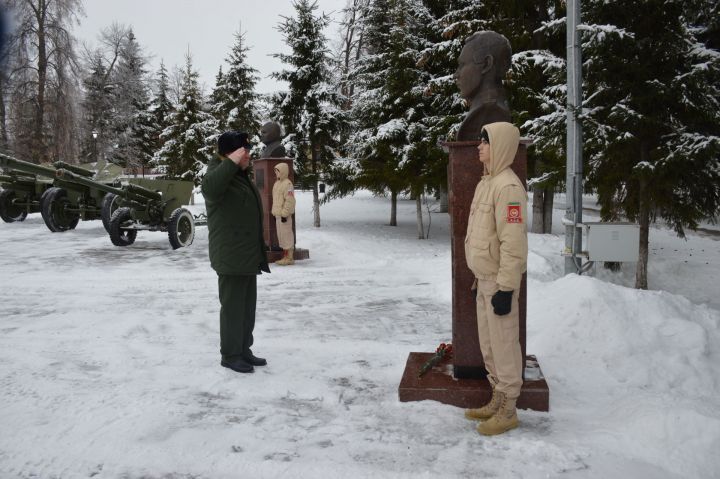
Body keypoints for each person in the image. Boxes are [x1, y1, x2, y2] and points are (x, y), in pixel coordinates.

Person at [463, 122, 528, 435]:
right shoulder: (486, 182)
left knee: (504, 346)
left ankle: (509, 409)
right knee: (489, 346)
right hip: (483, 280)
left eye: (485, 142)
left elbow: (512, 244)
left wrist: (505, 288)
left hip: (499, 284)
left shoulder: (508, 187)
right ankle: (497, 397)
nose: (479, 147)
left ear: (500, 146)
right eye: (479, 141)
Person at [202, 131, 270, 374]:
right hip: (230, 255)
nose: (249, 155)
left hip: (246, 254)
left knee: (246, 308)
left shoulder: (238, 176)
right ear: (233, 153)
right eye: (245, 151)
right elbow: (209, 188)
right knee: (232, 308)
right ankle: (230, 355)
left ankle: (243, 350)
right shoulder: (217, 174)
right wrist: (231, 161)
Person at [454, 31, 512, 141]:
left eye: (462, 65)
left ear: (486, 64)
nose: (455, 75)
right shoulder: (489, 110)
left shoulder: (491, 113)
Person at [271, 162, 296, 265]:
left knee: (286, 235)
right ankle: (285, 256)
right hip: (278, 215)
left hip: (284, 216)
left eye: (278, 171)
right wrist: (276, 213)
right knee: (281, 236)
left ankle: (289, 258)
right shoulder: (277, 183)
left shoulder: (288, 184)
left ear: (283, 172)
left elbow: (290, 200)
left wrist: (285, 213)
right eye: (276, 171)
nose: (276, 173)